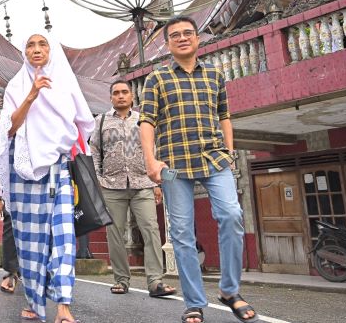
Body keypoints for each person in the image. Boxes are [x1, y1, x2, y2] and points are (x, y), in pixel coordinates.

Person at [139, 16, 259, 323]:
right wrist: (150, 161)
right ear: (167, 44)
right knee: (181, 232)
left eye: (187, 33)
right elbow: (147, 121)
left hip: (214, 159)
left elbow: (224, 115)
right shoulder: (157, 78)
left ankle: (230, 291)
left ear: (197, 38)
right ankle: (194, 302)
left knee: (231, 215)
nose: (182, 38)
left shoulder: (215, 75)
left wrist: (229, 152)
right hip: (174, 163)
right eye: (175, 35)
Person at [0, 32, 94, 323]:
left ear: (51, 50)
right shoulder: (16, 85)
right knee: (29, 241)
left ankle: (63, 305)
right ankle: (35, 303)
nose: (36, 50)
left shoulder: (66, 82)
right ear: (24, 52)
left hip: (57, 169)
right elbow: (9, 128)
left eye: (42, 44)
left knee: (63, 235)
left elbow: (84, 124)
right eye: (30, 45)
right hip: (23, 169)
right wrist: (32, 95)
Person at [91, 80, 176, 298]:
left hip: (143, 183)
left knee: (151, 230)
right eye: (116, 93)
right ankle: (121, 279)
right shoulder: (101, 121)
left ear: (132, 96)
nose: (120, 96)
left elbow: (154, 151)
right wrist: (98, 180)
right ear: (111, 97)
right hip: (111, 185)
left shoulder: (143, 120)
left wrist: (157, 183)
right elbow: (95, 152)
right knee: (115, 233)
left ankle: (155, 281)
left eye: (124, 92)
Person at [0, 129, 20, 295]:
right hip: (11, 180)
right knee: (11, 224)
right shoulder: (7, 121)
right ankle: (11, 272)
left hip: (41, 177)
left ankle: (34, 272)